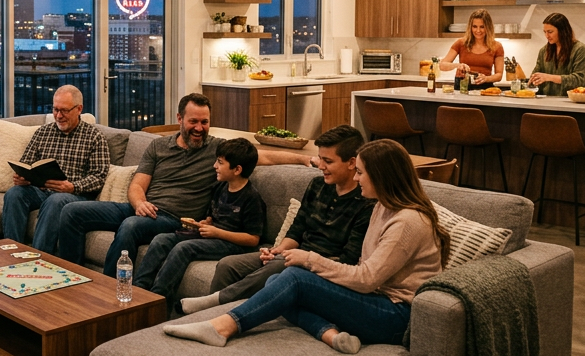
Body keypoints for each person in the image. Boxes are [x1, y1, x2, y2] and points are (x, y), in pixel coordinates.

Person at [164, 139, 448, 354]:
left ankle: (223, 326)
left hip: (395, 316)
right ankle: (328, 334)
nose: (356, 177)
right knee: (276, 283)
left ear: (381, 176)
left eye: (361, 172)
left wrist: (309, 259)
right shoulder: (382, 206)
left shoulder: (407, 221)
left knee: (294, 278)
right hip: (375, 300)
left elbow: (366, 279)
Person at [57, 93, 315, 276]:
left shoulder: (216, 149)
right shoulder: (158, 146)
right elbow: (137, 185)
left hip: (174, 218)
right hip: (142, 209)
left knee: (131, 225)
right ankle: (72, 278)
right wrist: (140, 203)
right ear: (180, 118)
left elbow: (261, 156)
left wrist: (303, 159)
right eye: (193, 121)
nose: (199, 128)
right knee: (72, 211)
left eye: (205, 122)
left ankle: (110, 289)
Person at [179, 124, 374, 314]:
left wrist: (302, 258)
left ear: (351, 163)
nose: (321, 166)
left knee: (278, 266)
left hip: (321, 267)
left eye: (328, 161)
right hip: (294, 254)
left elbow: (348, 260)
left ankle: (217, 303)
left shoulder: (365, 203)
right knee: (227, 265)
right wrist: (277, 250)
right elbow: (297, 228)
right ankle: (213, 317)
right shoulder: (317, 185)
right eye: (320, 159)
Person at [134, 138, 266, 309]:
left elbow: (253, 239)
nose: (214, 166)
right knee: (161, 240)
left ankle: (159, 303)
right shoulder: (219, 187)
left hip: (233, 244)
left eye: (220, 162)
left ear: (237, 169)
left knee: (184, 248)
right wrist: (206, 222)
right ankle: (138, 293)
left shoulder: (251, 198)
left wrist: (217, 232)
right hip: (213, 236)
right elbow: (213, 216)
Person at [2, 84, 110, 254]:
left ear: (79, 109)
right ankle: (11, 252)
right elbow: (26, 163)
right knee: (14, 193)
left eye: (64, 111)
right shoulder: (43, 132)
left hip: (74, 196)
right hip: (41, 191)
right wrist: (22, 177)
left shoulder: (94, 137)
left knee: (56, 200)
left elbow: (99, 176)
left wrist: (73, 186)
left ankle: (38, 258)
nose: (58, 116)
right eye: (55, 110)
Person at [528, 12, 585, 96]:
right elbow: (536, 74)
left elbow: (580, 80)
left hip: (574, 101)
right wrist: (533, 79)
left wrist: (549, 77)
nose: (546, 35)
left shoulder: (580, 49)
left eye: (550, 32)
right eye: (545, 32)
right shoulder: (544, 51)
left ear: (562, 31)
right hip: (547, 101)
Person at [438, 9, 505, 85]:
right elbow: (442, 65)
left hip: (485, 88)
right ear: (470, 27)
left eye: (482, 27)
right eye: (474, 26)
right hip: (463, 87)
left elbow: (499, 75)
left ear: (488, 28)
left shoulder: (497, 46)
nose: (478, 30)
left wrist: (486, 78)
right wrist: (458, 65)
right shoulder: (461, 43)